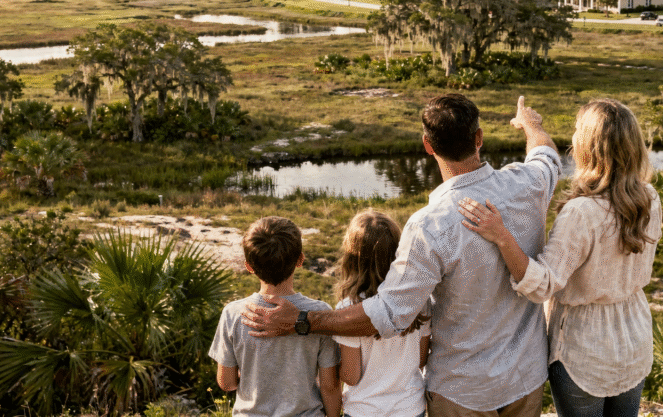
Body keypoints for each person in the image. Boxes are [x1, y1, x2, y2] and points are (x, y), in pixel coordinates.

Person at [243, 93, 561, 417]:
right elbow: (545, 153)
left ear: (428, 145)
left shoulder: (430, 224)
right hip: (526, 378)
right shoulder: (530, 182)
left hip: (462, 390)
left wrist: (303, 320)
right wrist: (529, 124)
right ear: (479, 138)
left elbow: (390, 314)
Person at [458, 99, 662, 417]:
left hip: (584, 352)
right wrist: (532, 126)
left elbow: (542, 286)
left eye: (578, 131)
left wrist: (501, 236)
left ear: (588, 146)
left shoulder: (582, 212)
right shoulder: (649, 198)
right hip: (634, 342)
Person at [209, 216, 341, 417]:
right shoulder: (320, 313)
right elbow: (329, 386)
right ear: (300, 260)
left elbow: (226, 383)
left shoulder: (233, 313)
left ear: (249, 266)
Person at [334, 209, 431, 417]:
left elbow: (351, 376)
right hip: (409, 408)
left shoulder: (348, 309)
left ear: (352, 259)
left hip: (364, 410)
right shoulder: (419, 302)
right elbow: (421, 360)